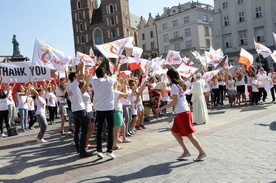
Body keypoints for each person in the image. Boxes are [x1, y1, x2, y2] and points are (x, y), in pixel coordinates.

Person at [155, 65, 206, 161]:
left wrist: (162, 108)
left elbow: (174, 102)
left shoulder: (174, 86)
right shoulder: (179, 84)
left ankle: (201, 152)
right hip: (183, 111)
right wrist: (169, 66)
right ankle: (186, 151)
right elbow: (176, 73)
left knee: (189, 134)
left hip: (183, 112)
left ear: (170, 77)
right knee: (174, 132)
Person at [90, 61, 120, 159]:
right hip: (109, 108)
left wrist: (97, 66)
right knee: (110, 129)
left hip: (99, 109)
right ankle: (109, 151)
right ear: (104, 74)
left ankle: (99, 151)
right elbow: (116, 73)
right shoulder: (109, 81)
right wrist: (118, 65)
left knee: (99, 130)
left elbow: (93, 75)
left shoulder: (94, 82)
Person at [66, 62, 92, 158]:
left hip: (74, 110)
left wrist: (79, 68)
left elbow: (76, 75)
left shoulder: (68, 85)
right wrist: (83, 65)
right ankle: (82, 151)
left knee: (77, 130)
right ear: (74, 79)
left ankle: (78, 148)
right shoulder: (73, 84)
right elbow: (80, 75)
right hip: (80, 109)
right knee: (84, 130)